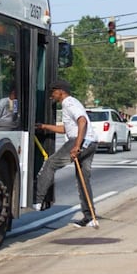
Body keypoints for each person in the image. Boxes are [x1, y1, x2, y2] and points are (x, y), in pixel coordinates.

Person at [34, 80, 99, 228]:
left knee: (51, 164)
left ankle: (37, 200)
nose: (52, 95)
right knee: (83, 180)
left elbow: (82, 122)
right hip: (91, 143)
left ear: (61, 91)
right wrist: (44, 126)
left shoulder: (68, 103)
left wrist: (76, 146)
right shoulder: (73, 103)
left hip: (80, 141)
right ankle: (90, 217)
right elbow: (67, 128)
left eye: (53, 92)